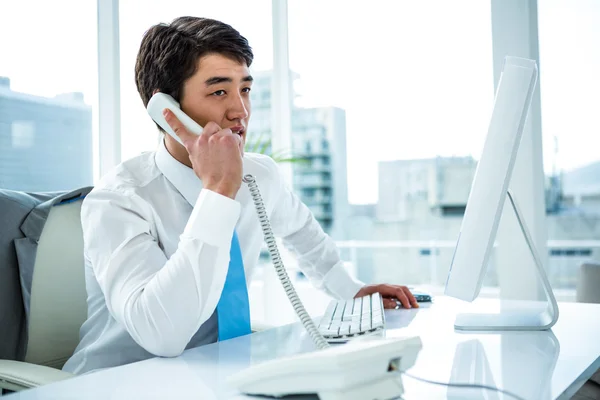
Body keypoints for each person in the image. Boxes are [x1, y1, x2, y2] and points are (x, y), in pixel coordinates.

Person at [63, 16, 418, 375]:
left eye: (244, 89)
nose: (240, 111)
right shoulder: (119, 200)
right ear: (167, 112)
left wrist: (351, 291)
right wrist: (218, 192)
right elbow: (162, 334)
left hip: (220, 376)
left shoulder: (259, 175)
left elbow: (304, 237)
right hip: (118, 383)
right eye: (219, 91)